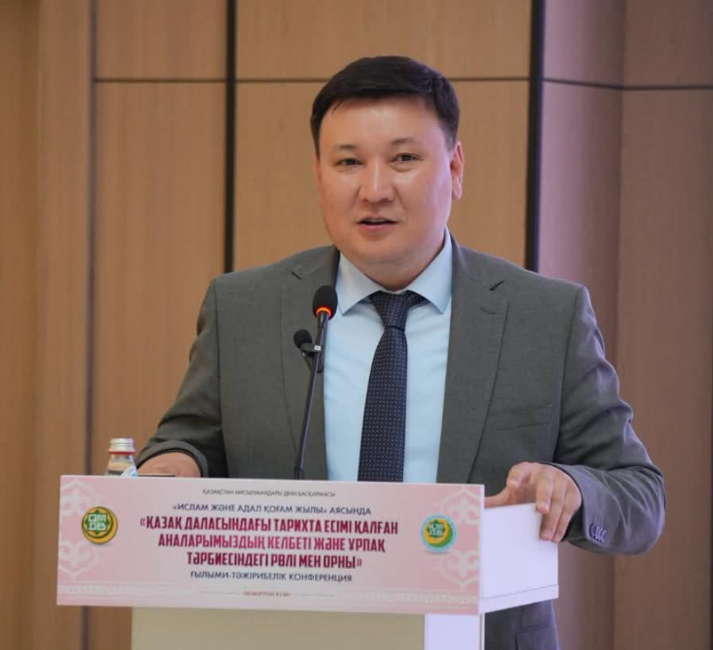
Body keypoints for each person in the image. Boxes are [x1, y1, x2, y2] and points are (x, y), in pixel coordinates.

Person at [137, 56, 665, 649]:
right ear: (319, 175)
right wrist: (170, 469)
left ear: (455, 168)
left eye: (404, 159)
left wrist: (571, 488)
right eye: (348, 162)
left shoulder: (544, 316)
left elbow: (640, 498)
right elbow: (187, 444)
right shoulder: (245, 309)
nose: (374, 190)